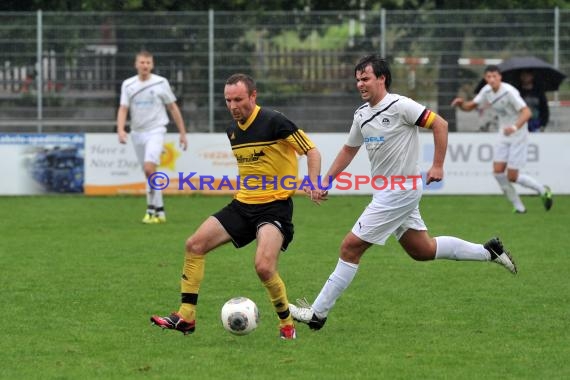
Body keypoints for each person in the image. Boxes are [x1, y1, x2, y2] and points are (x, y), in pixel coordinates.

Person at [288, 55, 518, 331]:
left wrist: (438, 165)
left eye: (366, 78)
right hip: (387, 192)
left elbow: (440, 124)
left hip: (400, 191)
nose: (360, 83)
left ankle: (317, 313)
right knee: (422, 249)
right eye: (358, 79)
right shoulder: (361, 114)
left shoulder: (401, 106)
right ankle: (489, 252)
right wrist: (326, 181)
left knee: (350, 247)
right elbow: (349, 149)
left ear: (382, 78)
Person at [150, 73, 323, 340]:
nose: (233, 106)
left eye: (239, 99)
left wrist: (313, 182)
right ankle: (186, 317)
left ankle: (286, 324)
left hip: (274, 208)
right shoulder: (233, 130)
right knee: (194, 245)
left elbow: (311, 150)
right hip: (242, 205)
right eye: (228, 100)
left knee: (264, 267)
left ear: (253, 96)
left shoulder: (274, 121)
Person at [451, 65, 553, 214]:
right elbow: (471, 106)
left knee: (512, 176)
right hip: (503, 134)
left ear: (500, 77)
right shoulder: (486, 90)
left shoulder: (509, 92)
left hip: (518, 134)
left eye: (494, 76)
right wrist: (461, 104)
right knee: (498, 172)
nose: (491, 79)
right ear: (485, 78)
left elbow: (527, 112)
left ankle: (542, 190)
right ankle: (519, 207)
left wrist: (514, 127)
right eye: (488, 77)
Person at [116, 50, 188, 224]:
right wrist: (120, 129)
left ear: (152, 65)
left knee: (149, 169)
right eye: (142, 62)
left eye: (148, 63)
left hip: (156, 130)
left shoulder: (161, 83)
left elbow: (172, 107)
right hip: (137, 132)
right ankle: (160, 210)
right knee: (149, 173)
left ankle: (151, 209)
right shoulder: (128, 85)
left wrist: (182, 133)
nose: (145, 66)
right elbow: (123, 108)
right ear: (136, 64)